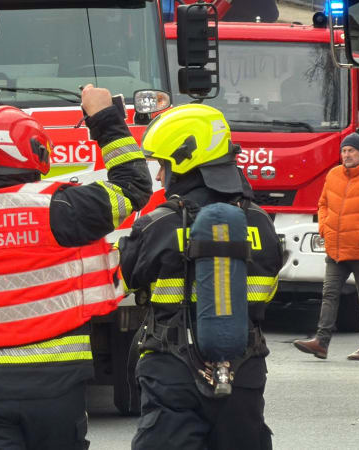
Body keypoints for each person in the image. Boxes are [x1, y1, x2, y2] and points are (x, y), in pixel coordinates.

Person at [0, 85, 152, 449]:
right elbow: (134, 186)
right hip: (56, 381)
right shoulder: (64, 207)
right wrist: (105, 120)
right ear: (36, 152)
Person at [119, 104, 283, 449]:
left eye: (163, 166)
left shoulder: (157, 225)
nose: (160, 177)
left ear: (183, 162)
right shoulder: (260, 222)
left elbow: (129, 279)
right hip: (244, 374)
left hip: (172, 374)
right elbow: (268, 290)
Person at [293, 132, 359, 361]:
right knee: (329, 294)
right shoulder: (333, 175)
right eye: (344, 151)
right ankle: (321, 343)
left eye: (351, 151)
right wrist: (324, 228)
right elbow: (323, 204)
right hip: (336, 249)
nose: (347, 155)